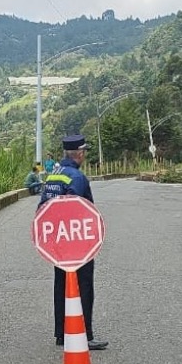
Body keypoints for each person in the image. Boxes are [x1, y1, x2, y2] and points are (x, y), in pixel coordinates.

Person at [39, 134, 108, 351]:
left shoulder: (53, 175)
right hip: (77, 243)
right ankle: (85, 335)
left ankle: (61, 333)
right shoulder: (77, 177)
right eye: (84, 151)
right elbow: (74, 210)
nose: (84, 155)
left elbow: (43, 208)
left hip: (57, 244)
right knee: (83, 286)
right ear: (78, 153)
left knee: (61, 285)